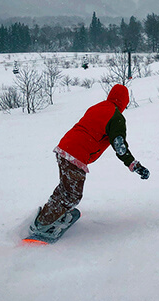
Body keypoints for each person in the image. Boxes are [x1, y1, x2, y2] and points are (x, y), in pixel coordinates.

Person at [30, 84, 149, 236]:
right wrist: (134, 165)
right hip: (76, 154)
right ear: (125, 101)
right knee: (72, 195)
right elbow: (120, 147)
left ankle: (53, 214)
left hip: (64, 148)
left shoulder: (99, 106)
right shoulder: (117, 117)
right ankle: (42, 225)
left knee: (66, 188)